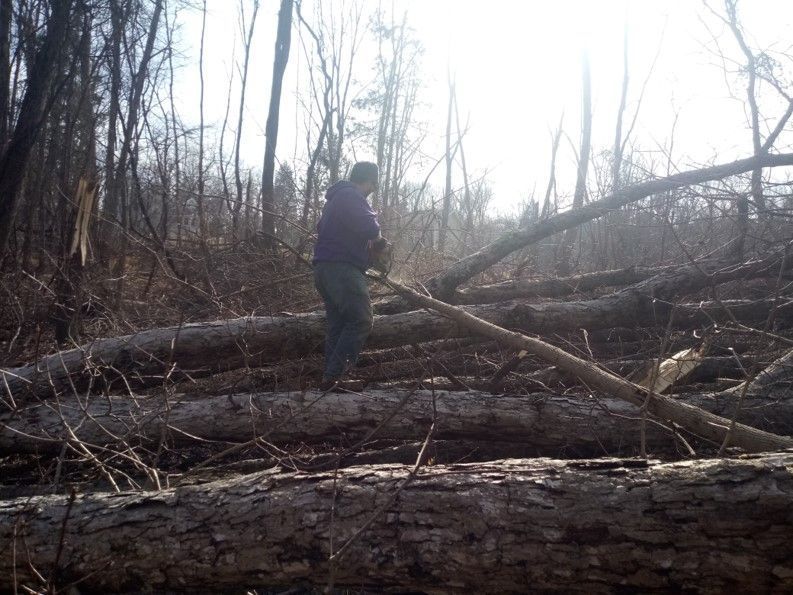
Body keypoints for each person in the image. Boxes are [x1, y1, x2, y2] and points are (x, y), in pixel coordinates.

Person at [312, 161, 384, 389]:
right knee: (362, 319)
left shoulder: (335, 199)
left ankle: (329, 378)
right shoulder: (351, 196)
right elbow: (371, 228)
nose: (373, 189)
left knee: (339, 324)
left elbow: (322, 228)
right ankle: (336, 377)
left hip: (325, 269)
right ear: (369, 180)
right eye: (374, 184)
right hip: (341, 269)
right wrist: (379, 239)